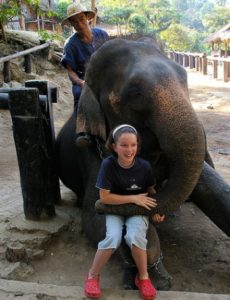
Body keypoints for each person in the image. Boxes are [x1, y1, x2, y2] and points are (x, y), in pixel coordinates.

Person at [84, 124, 165, 299]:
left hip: (137, 211)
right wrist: (134, 198)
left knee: (135, 237)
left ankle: (143, 278)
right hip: (115, 209)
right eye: (124, 145)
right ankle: (92, 275)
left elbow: (151, 191)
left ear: (138, 145)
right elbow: (104, 198)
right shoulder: (108, 165)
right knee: (112, 237)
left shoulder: (144, 167)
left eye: (133, 145)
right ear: (114, 146)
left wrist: (157, 209)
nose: (129, 150)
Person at [61, 2, 109, 118]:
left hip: (106, 76)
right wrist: (80, 82)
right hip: (84, 80)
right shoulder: (70, 44)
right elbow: (71, 71)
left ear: (87, 17)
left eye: (81, 18)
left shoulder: (102, 35)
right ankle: (79, 130)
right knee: (79, 97)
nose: (79, 23)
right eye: (74, 21)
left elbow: (112, 57)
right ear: (71, 24)